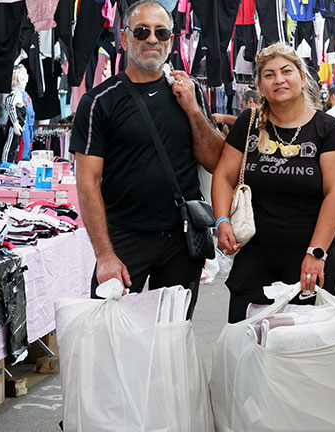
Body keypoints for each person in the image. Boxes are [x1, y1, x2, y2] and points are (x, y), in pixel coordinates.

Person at [72, 0, 224, 315]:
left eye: (161, 32)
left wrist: (193, 109)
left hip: (181, 239)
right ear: (125, 39)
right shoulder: (99, 101)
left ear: (171, 40)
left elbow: (214, 161)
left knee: (172, 337)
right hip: (125, 238)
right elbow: (88, 182)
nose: (152, 39)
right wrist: (104, 255)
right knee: (110, 334)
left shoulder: (188, 91)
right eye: (142, 31)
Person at [211, 42, 335, 323]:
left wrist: (316, 253)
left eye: (286, 71)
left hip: (309, 256)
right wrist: (222, 220)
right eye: (269, 74)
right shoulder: (248, 124)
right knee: (248, 345)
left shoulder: (327, 129)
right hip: (255, 256)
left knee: (300, 351)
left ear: (302, 77)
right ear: (261, 86)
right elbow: (224, 176)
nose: (279, 79)